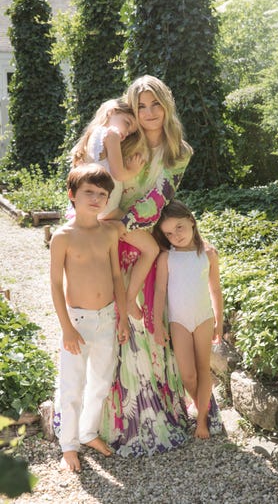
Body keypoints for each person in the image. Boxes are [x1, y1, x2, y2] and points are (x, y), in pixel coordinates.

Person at [100, 75, 195, 456]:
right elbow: (104, 184)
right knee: (115, 329)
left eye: (156, 104)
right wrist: (107, 223)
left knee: (146, 328)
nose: (150, 113)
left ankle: (156, 412)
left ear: (166, 105)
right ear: (133, 110)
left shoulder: (180, 152)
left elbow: (160, 198)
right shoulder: (126, 141)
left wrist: (123, 223)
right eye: (142, 106)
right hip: (111, 240)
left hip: (142, 238)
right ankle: (111, 420)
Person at [50, 163, 129, 472]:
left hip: (108, 317)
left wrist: (122, 318)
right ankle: (68, 445)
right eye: (88, 192)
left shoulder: (109, 231)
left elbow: (116, 275)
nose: (96, 198)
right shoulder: (63, 236)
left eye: (102, 193)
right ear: (72, 195)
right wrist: (67, 328)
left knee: (100, 381)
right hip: (78, 322)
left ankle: (88, 432)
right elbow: (56, 284)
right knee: (72, 384)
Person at [70, 98, 160, 319]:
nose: (128, 132)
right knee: (151, 249)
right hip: (109, 209)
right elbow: (118, 174)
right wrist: (133, 169)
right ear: (111, 112)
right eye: (128, 123)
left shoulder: (93, 136)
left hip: (98, 209)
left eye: (131, 130)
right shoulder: (110, 134)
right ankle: (129, 299)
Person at [153, 200, 223, 439]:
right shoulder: (166, 258)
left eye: (180, 227)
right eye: (169, 233)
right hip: (178, 321)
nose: (176, 235)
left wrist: (219, 321)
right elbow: (160, 292)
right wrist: (157, 323)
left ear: (191, 221)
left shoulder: (208, 253)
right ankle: (204, 404)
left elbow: (215, 290)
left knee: (204, 369)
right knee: (188, 375)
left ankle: (202, 421)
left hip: (203, 318)